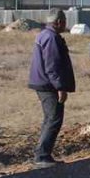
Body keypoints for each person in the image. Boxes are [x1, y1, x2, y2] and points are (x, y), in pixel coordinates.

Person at [28, 9, 76, 168]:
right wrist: (60, 87)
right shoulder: (51, 38)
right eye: (64, 21)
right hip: (48, 85)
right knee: (54, 118)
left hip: (43, 83)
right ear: (59, 22)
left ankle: (42, 154)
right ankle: (42, 156)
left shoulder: (43, 34)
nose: (65, 25)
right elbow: (52, 66)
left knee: (50, 118)